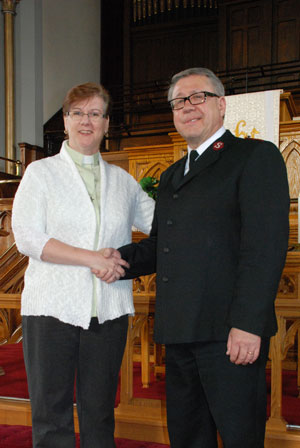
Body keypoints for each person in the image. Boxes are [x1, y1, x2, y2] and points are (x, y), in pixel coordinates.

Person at [98, 68, 290, 447]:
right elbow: (163, 245)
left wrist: (248, 324)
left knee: (240, 436)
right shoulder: (171, 176)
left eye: (197, 97)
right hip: (181, 329)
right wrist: (114, 259)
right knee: (188, 437)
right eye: (179, 102)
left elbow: (265, 247)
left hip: (229, 333)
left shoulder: (254, 157)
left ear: (221, 105)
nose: (188, 107)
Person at [12, 82, 155, 448]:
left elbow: (162, 223)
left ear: (107, 123)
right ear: (65, 121)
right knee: (51, 412)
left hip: (107, 311)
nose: (86, 121)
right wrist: (93, 258)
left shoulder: (123, 182)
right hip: (51, 309)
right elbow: (28, 237)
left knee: (100, 411)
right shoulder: (40, 174)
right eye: (78, 113)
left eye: (95, 113)